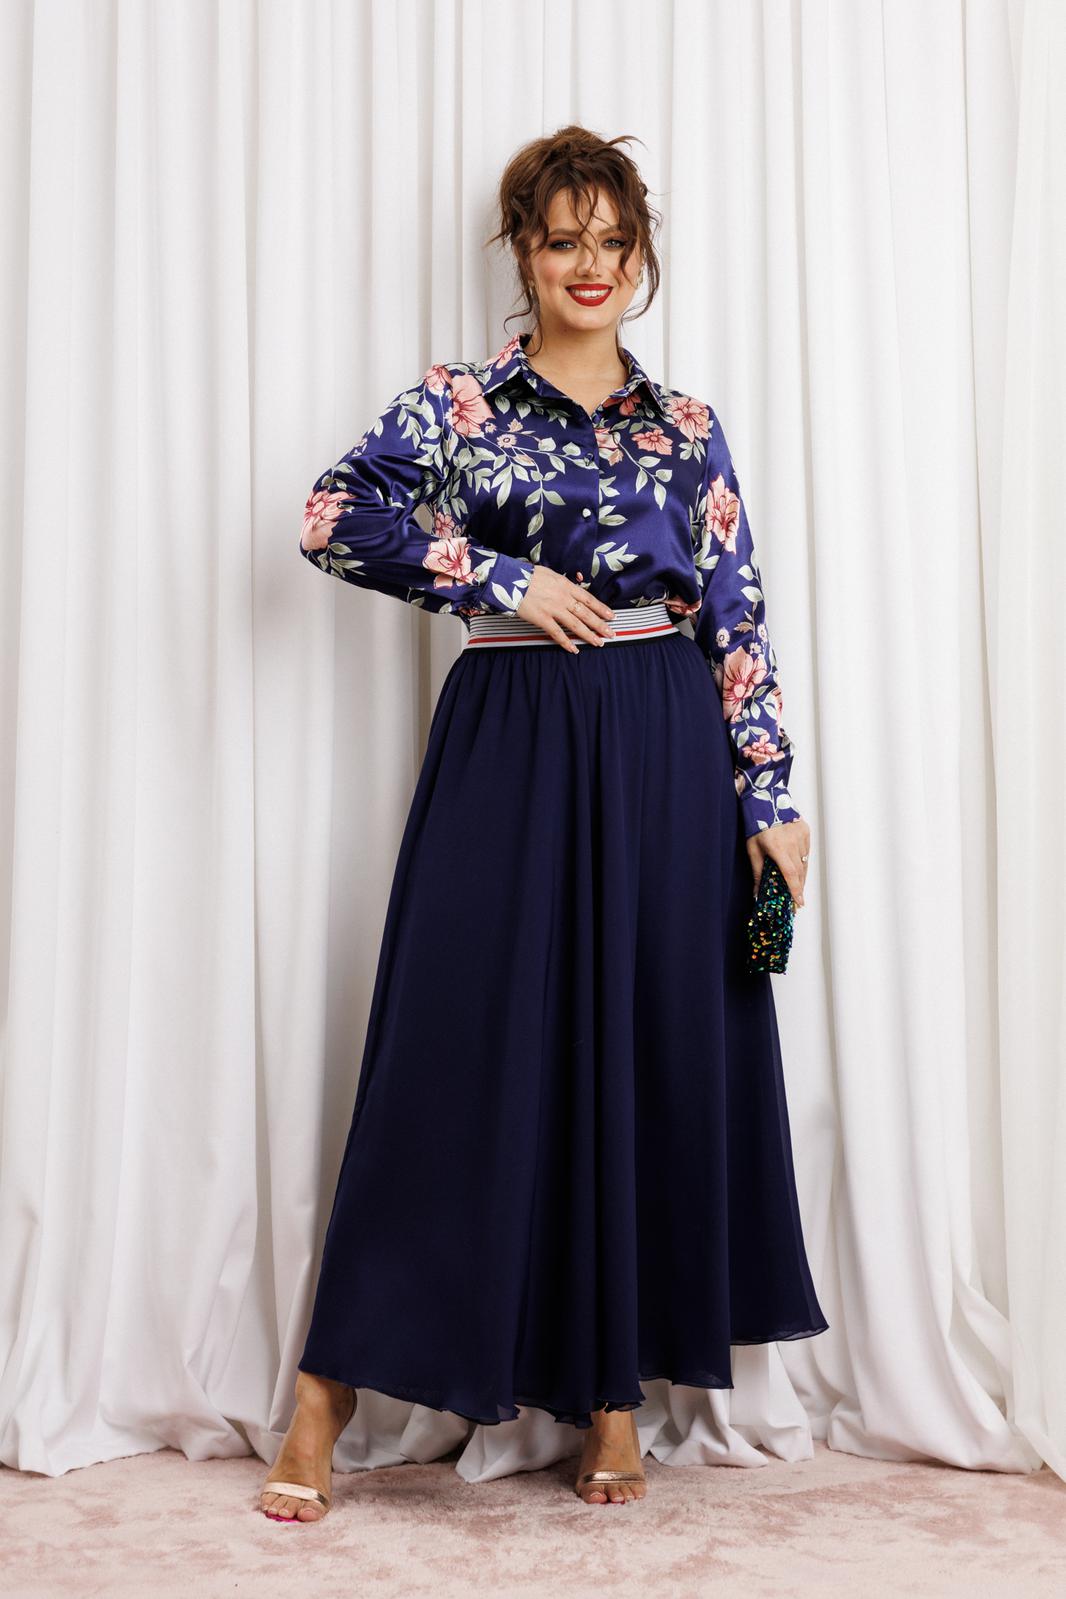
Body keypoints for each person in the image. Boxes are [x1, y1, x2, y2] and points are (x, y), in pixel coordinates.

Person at [260, 124, 827, 1522]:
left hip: (663, 746)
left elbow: (735, 612)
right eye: (563, 239)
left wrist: (768, 794)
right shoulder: (458, 405)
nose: (590, 266)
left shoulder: (685, 427)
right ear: (521, 250)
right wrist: (501, 576)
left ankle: (612, 1398)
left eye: (612, 243)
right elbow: (332, 516)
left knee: (638, 1050)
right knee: (450, 1050)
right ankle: (326, 1395)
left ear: (641, 257)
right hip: (510, 736)